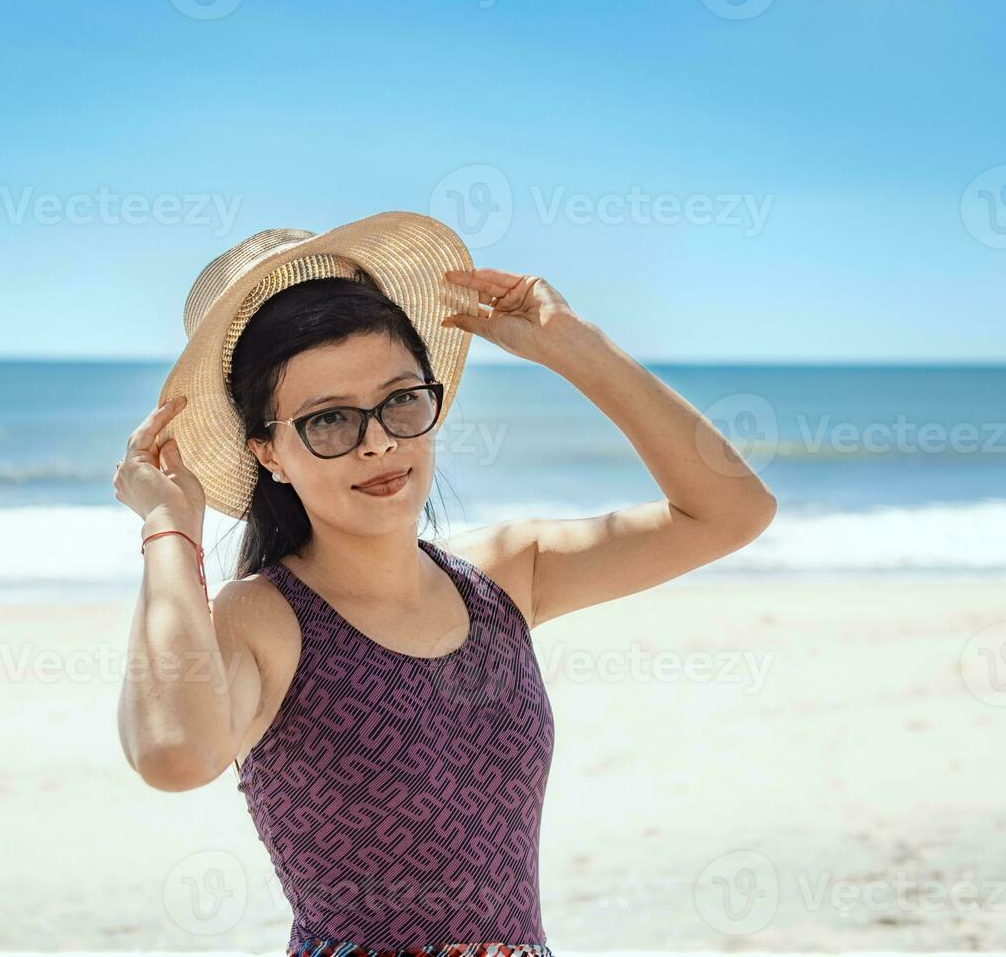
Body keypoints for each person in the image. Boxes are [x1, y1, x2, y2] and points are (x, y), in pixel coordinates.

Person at [112, 212, 776, 956]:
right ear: (268, 451)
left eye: (400, 400)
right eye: (328, 421)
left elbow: (731, 511)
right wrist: (170, 529)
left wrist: (577, 352)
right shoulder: (264, 619)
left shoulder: (504, 578)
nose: (378, 442)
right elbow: (173, 755)